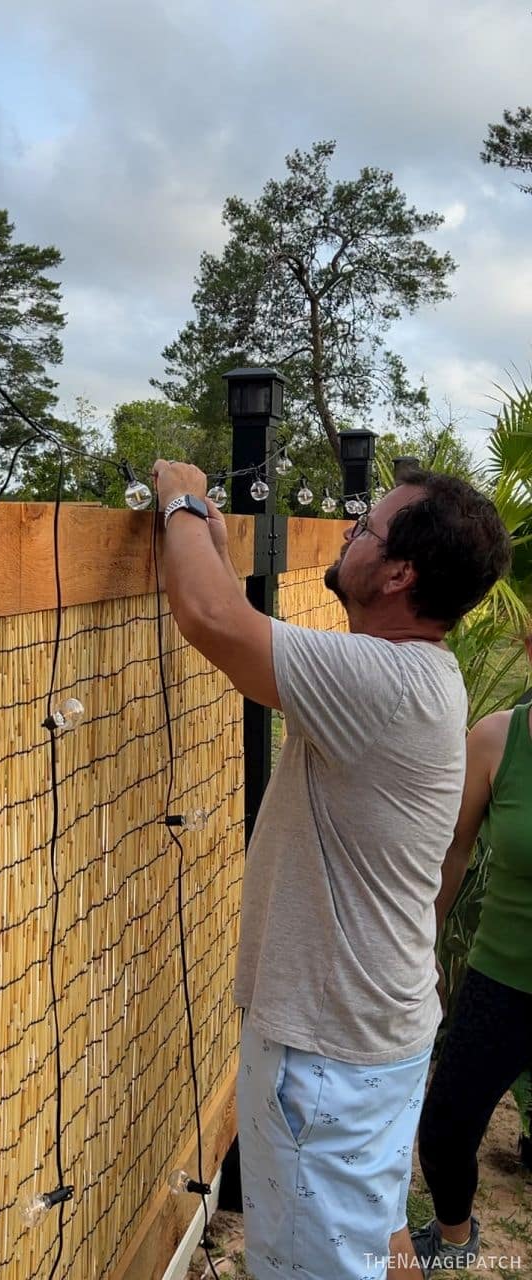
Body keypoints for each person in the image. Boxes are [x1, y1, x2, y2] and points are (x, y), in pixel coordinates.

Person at [150, 461, 511, 1280]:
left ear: (398, 573)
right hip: (374, 1037)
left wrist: (178, 495)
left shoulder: (383, 684)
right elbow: (240, 616)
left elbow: (210, 618)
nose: (349, 533)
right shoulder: (412, 675)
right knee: (374, 1239)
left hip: (328, 1062)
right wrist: (209, 540)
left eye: (366, 528)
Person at [410, 631, 532, 1276]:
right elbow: (450, 849)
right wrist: (421, 939)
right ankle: (455, 1239)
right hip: (502, 979)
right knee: (447, 1128)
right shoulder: (497, 739)